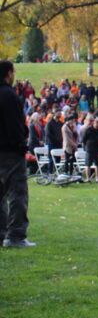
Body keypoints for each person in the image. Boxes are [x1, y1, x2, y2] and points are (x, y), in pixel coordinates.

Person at [0, 61, 35, 248]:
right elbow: (15, 126)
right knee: (17, 193)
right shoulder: (9, 95)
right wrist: (21, 146)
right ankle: (15, 235)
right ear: (8, 73)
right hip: (10, 152)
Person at [82, 117, 98, 182]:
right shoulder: (88, 129)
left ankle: (97, 178)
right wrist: (86, 146)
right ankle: (88, 178)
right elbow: (84, 139)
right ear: (94, 122)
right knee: (88, 164)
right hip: (90, 148)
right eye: (97, 122)